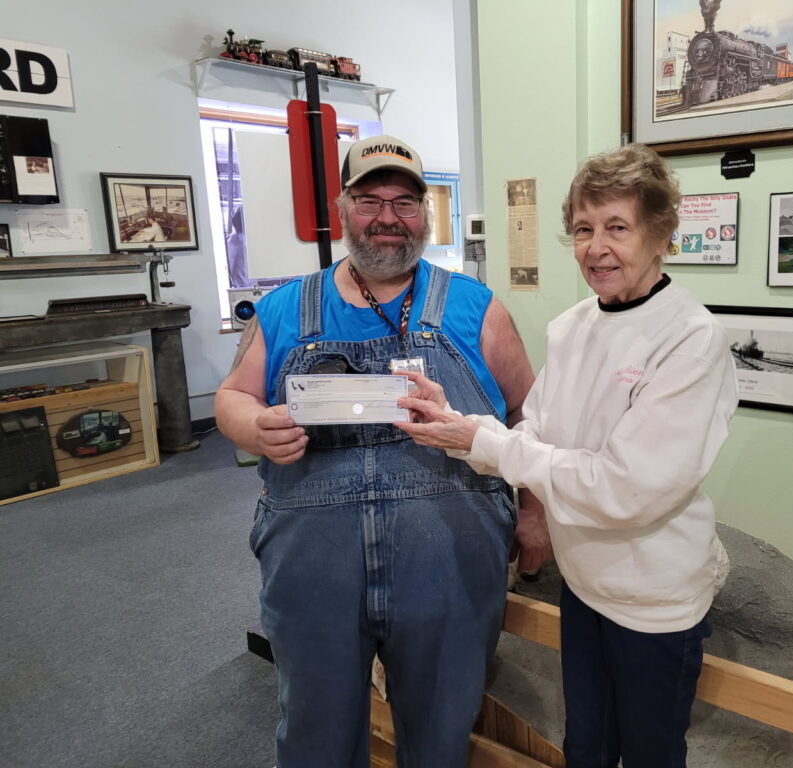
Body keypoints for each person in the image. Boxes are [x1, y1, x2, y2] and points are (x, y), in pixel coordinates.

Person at [396, 143, 739, 767]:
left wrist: (485, 442)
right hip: (583, 584)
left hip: (653, 598)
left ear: (660, 234)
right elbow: (536, 436)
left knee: (651, 754)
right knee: (586, 747)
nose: (596, 247)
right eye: (583, 229)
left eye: (617, 227)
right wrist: (461, 424)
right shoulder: (574, 325)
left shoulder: (691, 339)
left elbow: (626, 489)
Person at [214, 133, 548, 767]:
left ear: (425, 213)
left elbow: (529, 414)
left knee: (443, 724)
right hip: (314, 558)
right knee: (316, 727)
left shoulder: (475, 307)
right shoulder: (288, 306)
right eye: (370, 201)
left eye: (405, 202)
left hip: (449, 554)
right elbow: (232, 396)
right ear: (343, 209)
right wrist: (254, 427)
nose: (388, 219)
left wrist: (534, 512)